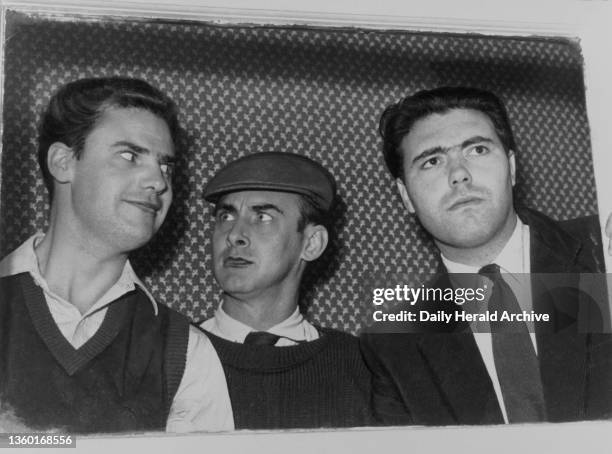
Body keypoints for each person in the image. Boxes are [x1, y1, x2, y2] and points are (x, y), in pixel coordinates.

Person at [360, 86, 612, 425]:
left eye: (477, 149)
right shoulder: (393, 348)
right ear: (405, 195)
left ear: (511, 166)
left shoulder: (602, 249)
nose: (459, 174)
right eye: (432, 161)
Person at [0, 77, 233, 433]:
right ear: (63, 162)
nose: (159, 181)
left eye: (166, 166)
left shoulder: (186, 352)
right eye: (129, 155)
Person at [198, 152, 373, 430]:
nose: (234, 235)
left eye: (263, 217)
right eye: (226, 216)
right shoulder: (169, 352)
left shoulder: (360, 364)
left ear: (312, 243)